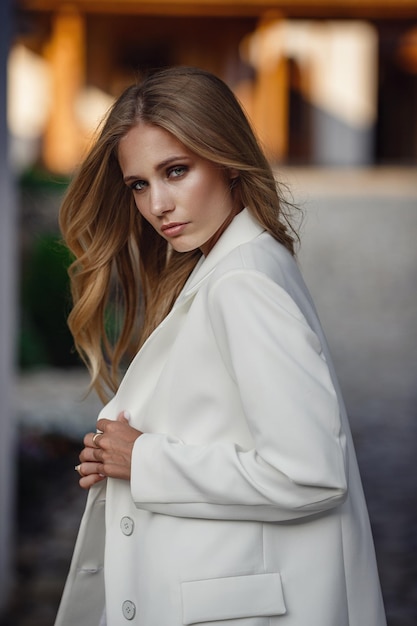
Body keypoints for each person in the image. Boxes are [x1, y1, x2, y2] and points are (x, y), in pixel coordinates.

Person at [55, 66, 386, 626]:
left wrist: (143, 458)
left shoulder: (243, 281)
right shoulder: (232, 264)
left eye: (176, 171)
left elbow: (309, 471)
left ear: (227, 160)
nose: (158, 203)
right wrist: (120, 455)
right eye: (139, 184)